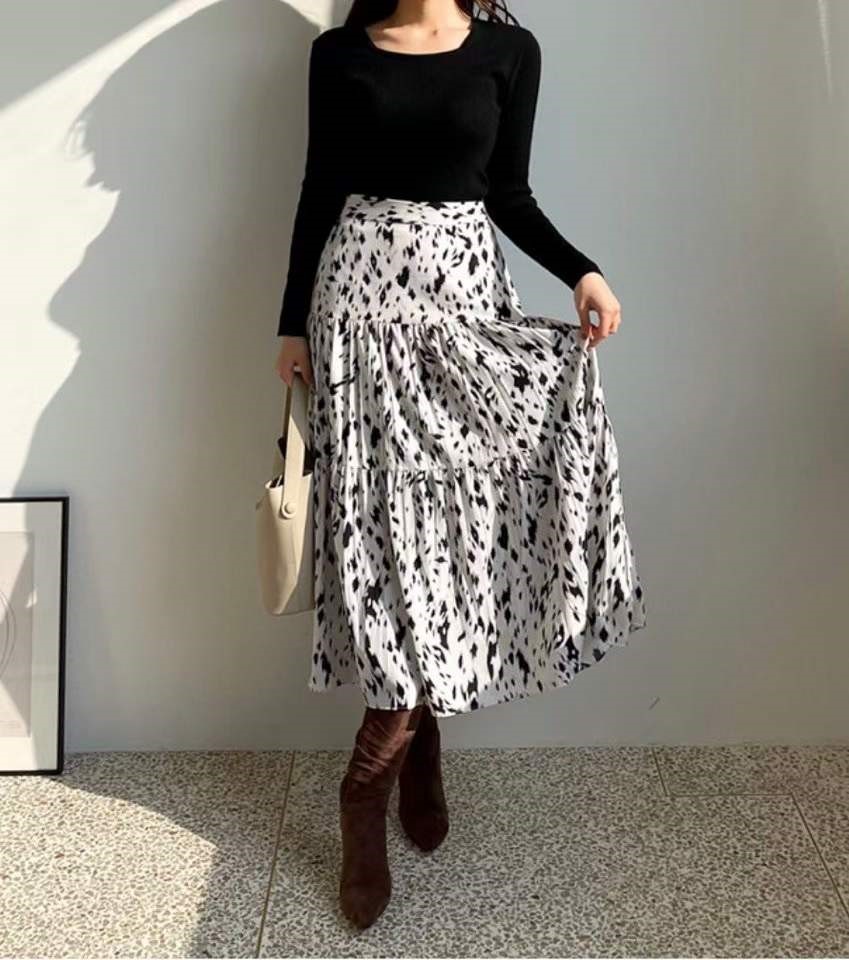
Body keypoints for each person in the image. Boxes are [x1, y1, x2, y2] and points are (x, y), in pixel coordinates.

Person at [274, 0, 647, 929]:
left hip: (464, 304)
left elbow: (507, 192)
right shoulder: (339, 55)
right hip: (358, 315)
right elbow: (320, 186)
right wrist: (290, 323)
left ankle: (416, 737)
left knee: (456, 531)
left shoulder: (510, 52)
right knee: (382, 540)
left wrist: (582, 270)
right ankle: (367, 788)